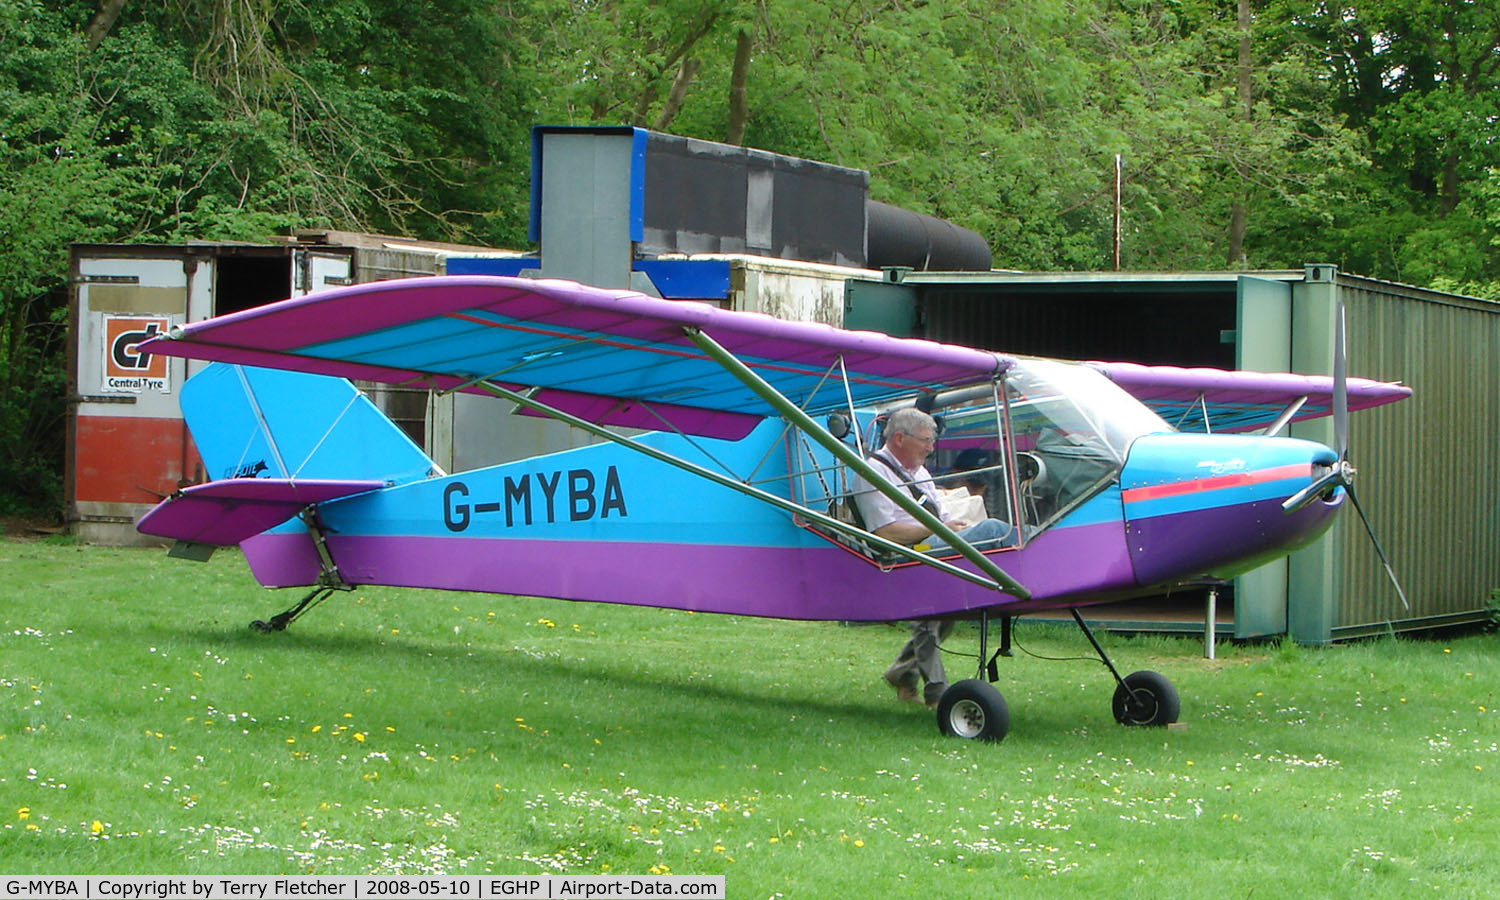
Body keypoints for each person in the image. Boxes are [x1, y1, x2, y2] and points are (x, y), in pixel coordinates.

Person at [851, 408, 1011, 708]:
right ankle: (937, 694)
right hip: (904, 555)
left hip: (932, 544)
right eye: (925, 440)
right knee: (996, 530)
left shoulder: (920, 472)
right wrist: (939, 529)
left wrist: (957, 525)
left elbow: (942, 513)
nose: (931, 447)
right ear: (900, 438)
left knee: (944, 614)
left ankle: (903, 672)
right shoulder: (871, 473)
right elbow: (885, 533)